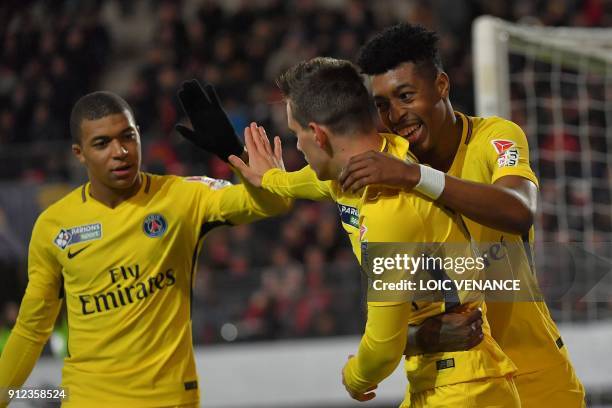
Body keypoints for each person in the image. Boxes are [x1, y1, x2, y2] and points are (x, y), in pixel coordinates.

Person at [230, 57, 520, 407]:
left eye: (297, 135)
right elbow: (315, 181)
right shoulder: (377, 159)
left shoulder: (390, 211)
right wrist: (271, 179)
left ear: (319, 135)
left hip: (465, 387)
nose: (298, 148)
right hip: (442, 380)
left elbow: (383, 346)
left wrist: (354, 378)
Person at [339, 23, 585, 407]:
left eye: (406, 96)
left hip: (535, 375)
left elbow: (520, 211)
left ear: (441, 85)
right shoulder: (386, 170)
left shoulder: (493, 138)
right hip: (450, 386)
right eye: (383, 104)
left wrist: (418, 177)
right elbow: (391, 315)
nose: (395, 115)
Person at [0, 88, 291, 407]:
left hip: (169, 400)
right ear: (79, 153)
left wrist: (237, 156)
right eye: (102, 143)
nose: (120, 151)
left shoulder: (182, 197)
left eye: (127, 137)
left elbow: (274, 203)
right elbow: (32, 329)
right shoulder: (54, 224)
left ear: (139, 135)